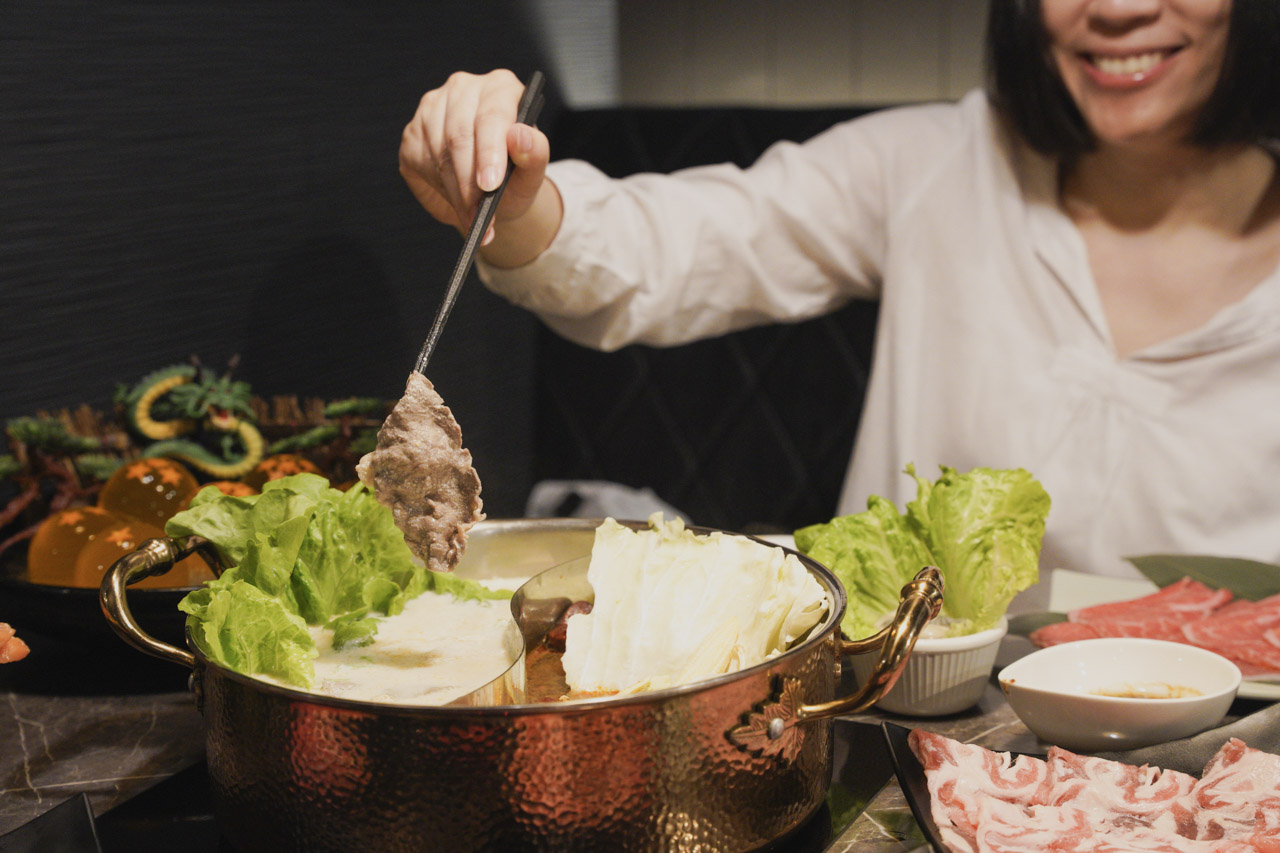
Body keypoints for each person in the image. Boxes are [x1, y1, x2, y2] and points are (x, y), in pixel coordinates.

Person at [398, 0, 1280, 611]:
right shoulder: (943, 161)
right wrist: (515, 197)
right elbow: (679, 245)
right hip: (908, 724)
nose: (1119, 9)